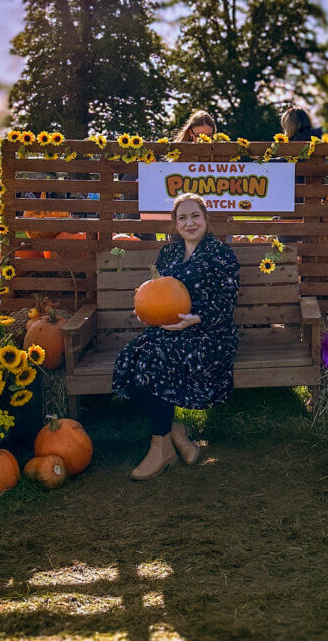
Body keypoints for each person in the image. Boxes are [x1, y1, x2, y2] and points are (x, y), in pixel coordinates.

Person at [112, 193, 240, 480]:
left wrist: (198, 317)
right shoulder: (168, 253)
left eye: (195, 216)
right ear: (175, 223)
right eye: (182, 217)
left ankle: (161, 446)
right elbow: (156, 290)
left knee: (155, 359)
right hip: (170, 330)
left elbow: (226, 301)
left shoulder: (221, 254)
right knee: (132, 357)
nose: (189, 222)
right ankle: (175, 433)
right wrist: (146, 310)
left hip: (210, 334)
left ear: (206, 218)